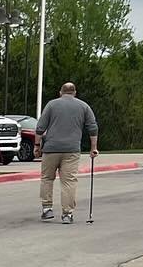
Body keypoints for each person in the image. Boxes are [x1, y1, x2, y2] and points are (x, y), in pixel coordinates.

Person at [35, 80, 99, 222]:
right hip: (71, 150)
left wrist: (37, 145)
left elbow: (40, 127)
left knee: (47, 178)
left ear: (60, 92)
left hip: (51, 149)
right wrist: (93, 147)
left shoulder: (51, 104)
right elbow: (93, 127)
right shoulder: (84, 106)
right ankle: (67, 213)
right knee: (69, 181)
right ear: (75, 93)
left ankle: (47, 208)